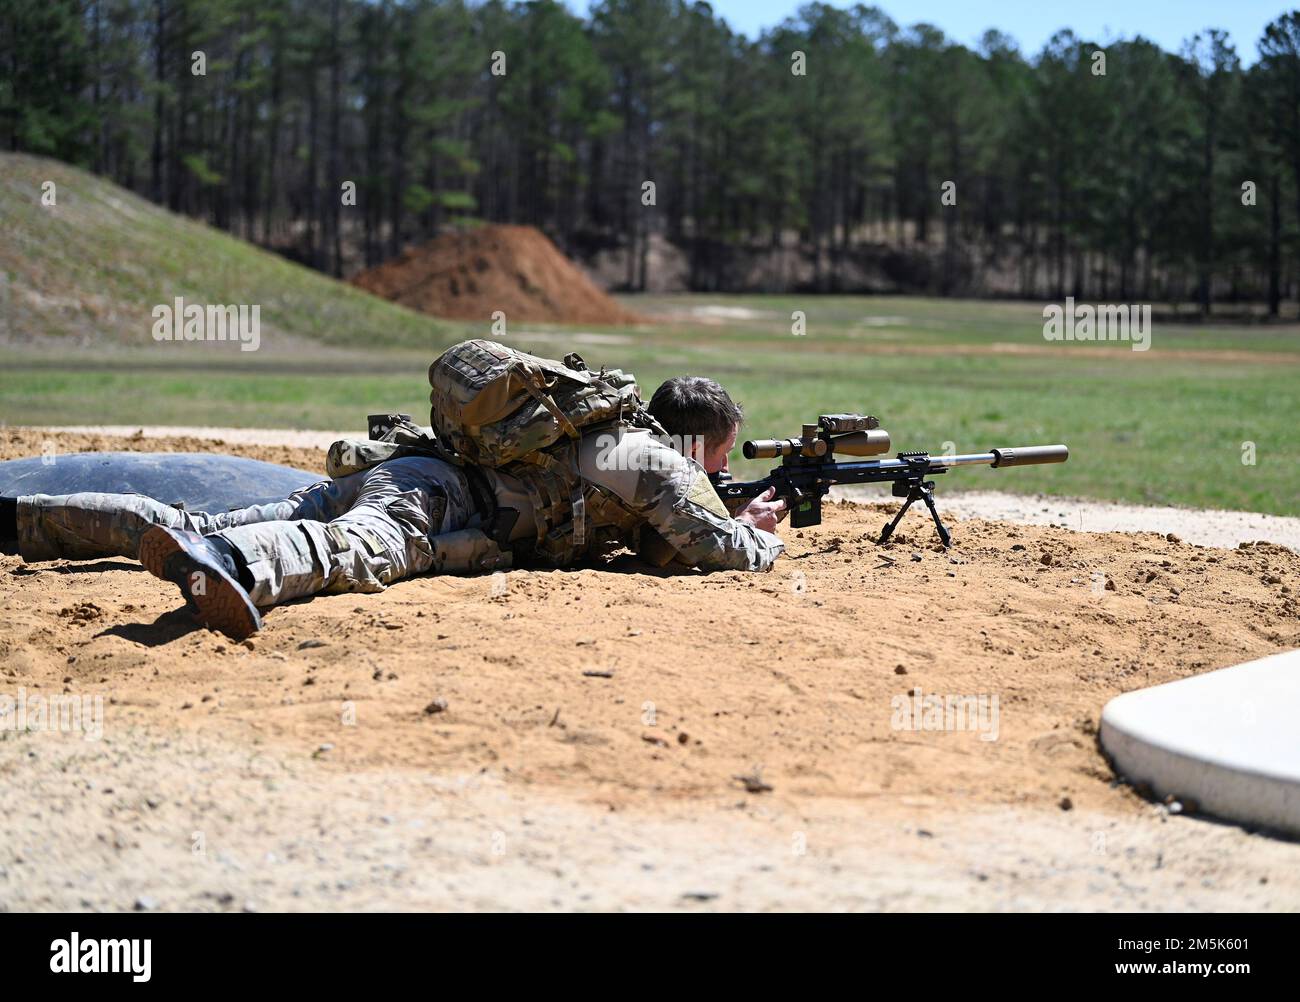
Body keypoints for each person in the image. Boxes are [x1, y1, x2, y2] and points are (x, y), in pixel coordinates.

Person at [0, 369, 787, 640]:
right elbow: (717, 550)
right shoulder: (650, 460)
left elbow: (657, 544)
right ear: (693, 447)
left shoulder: (616, 443)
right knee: (352, 554)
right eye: (718, 459)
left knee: (199, 519)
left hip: (414, 469)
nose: (719, 474)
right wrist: (758, 536)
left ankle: (32, 520)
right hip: (433, 501)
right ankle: (226, 568)